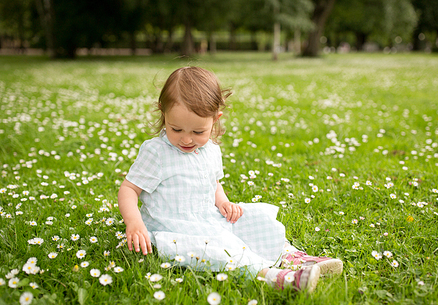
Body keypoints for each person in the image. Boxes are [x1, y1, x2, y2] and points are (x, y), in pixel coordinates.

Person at [118, 66, 343, 293]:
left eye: (198, 132)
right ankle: (275, 278)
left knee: (253, 221)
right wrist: (134, 222)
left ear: (215, 119)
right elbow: (129, 189)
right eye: (176, 129)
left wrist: (223, 202)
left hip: (208, 218)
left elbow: (212, 183)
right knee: (218, 251)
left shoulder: (211, 150)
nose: (186, 139)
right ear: (163, 112)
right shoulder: (156, 152)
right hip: (175, 227)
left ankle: (296, 258)